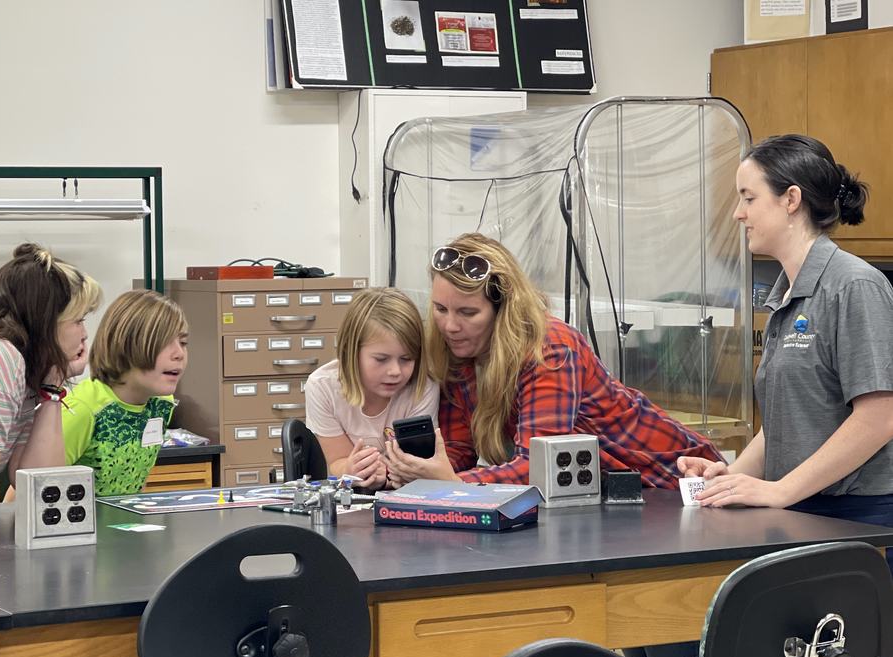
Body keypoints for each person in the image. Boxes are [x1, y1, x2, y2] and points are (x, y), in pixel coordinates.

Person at [384, 232, 723, 487]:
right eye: (440, 309)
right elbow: (458, 451)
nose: (450, 325)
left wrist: (454, 484)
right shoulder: (457, 353)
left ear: (503, 309)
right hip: (602, 491)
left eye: (468, 312)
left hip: (674, 481)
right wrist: (413, 469)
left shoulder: (549, 350)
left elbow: (541, 465)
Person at [679, 134, 893, 531]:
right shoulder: (785, 296)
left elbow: (880, 417)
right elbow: (785, 421)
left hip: (861, 518)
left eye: (748, 197)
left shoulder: (854, 286)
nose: (738, 214)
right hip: (803, 510)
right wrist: (728, 478)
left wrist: (780, 490)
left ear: (791, 200)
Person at [0, 243, 101, 513]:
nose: (85, 334)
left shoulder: (20, 364)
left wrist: (52, 388)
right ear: (46, 321)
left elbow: (41, 483)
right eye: (78, 320)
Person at [305, 287, 438, 490]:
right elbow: (337, 461)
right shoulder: (322, 387)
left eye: (406, 359)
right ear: (351, 351)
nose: (395, 371)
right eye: (381, 359)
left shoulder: (424, 388)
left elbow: (416, 467)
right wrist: (352, 467)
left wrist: (384, 476)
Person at [63, 289, 188, 496]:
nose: (179, 354)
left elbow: (132, 477)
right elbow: (26, 489)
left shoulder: (161, 404)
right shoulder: (83, 410)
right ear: (126, 345)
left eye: (183, 343)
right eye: (165, 343)